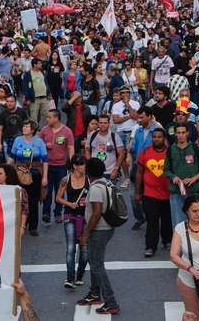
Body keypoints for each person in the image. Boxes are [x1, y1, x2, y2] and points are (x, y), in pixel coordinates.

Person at [76, 158, 120, 315]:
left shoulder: (95, 188)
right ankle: (95, 293)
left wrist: (85, 233)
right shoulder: (106, 182)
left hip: (99, 230)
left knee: (96, 265)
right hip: (107, 228)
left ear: (89, 172)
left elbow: (96, 212)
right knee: (94, 261)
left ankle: (111, 302)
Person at [135, 128, 172, 257]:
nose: (156, 139)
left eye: (159, 137)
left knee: (167, 220)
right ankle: (150, 246)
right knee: (152, 221)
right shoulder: (145, 152)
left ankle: (167, 241)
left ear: (164, 138)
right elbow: (139, 172)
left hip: (168, 194)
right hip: (150, 194)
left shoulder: (170, 153)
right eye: (154, 137)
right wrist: (138, 192)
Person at [56, 154, 90, 289]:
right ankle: (70, 278)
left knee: (85, 249)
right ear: (75, 166)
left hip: (86, 217)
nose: (84, 166)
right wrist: (70, 204)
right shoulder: (66, 180)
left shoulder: (89, 180)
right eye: (81, 164)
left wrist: (87, 201)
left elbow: (94, 197)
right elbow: (58, 198)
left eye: (84, 164)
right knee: (71, 248)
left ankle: (80, 276)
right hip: (70, 216)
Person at [10, 120, 48, 236]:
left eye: (26, 127)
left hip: (35, 174)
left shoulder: (39, 142)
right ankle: (21, 224)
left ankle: (33, 227)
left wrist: (45, 177)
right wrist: (6, 170)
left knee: (33, 200)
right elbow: (12, 157)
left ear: (32, 130)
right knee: (19, 200)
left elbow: (45, 161)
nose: (24, 128)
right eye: (23, 126)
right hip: (19, 174)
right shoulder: (17, 140)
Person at [165, 124, 199, 227]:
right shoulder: (170, 150)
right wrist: (174, 177)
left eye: (183, 132)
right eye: (178, 133)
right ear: (175, 134)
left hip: (193, 191)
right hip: (176, 191)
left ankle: (195, 241)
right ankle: (180, 242)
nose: (181, 135)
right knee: (178, 223)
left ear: (187, 133)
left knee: (195, 220)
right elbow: (166, 170)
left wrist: (193, 179)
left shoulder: (195, 148)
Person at [40, 109, 74, 224]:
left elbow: (70, 147)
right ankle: (46, 213)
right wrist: (45, 145)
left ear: (56, 118)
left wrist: (72, 162)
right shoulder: (44, 130)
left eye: (49, 117)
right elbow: (37, 144)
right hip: (47, 166)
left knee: (60, 190)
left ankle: (58, 213)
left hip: (61, 166)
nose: (47, 119)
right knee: (47, 190)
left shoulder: (67, 131)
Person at [0, 164, 29, 237]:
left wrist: (22, 227)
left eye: (0, 173)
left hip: (13, 225)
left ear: (8, 175)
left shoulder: (20, 190)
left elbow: (24, 210)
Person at [0, 93, 29, 164]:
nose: (9, 103)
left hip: (21, 140)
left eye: (11, 101)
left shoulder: (22, 111)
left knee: (22, 162)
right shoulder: (3, 113)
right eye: (7, 101)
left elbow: (27, 126)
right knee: (10, 163)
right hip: (7, 141)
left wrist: (28, 139)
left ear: (15, 102)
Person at [22, 58, 51, 125]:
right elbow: (25, 87)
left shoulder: (42, 72)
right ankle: (34, 133)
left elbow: (45, 83)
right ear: (35, 65)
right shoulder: (28, 74)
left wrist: (49, 93)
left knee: (46, 117)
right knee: (33, 118)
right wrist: (27, 98)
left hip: (44, 98)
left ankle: (45, 132)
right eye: (39, 63)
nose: (41, 65)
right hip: (34, 99)